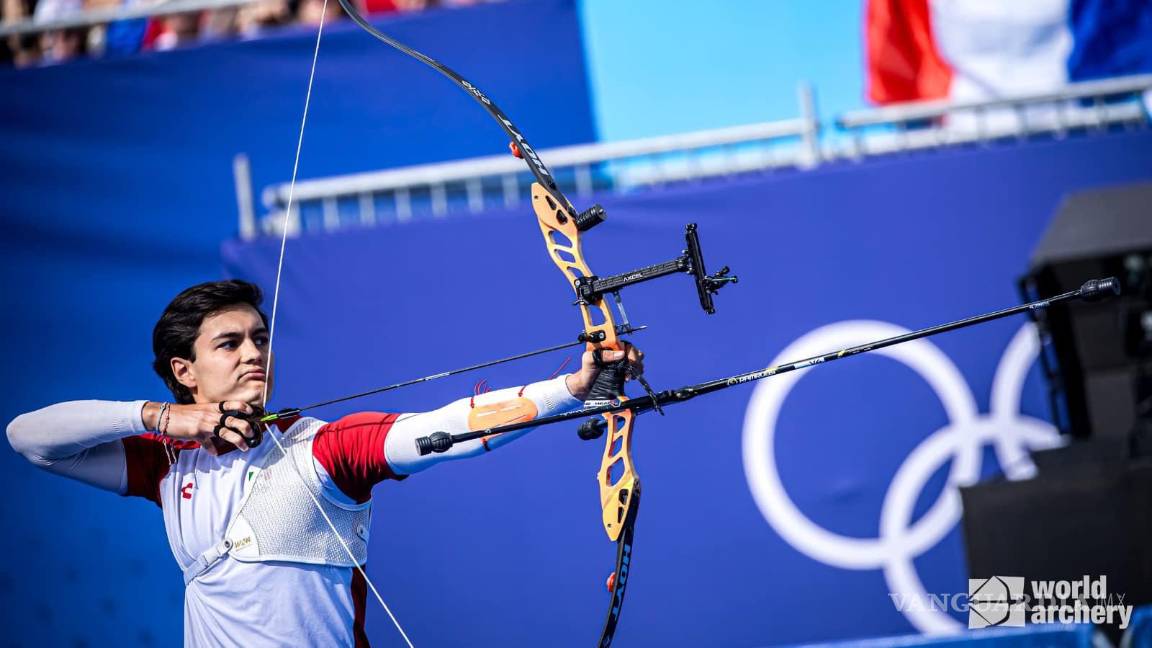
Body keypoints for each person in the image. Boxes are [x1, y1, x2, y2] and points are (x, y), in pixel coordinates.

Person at [6, 279, 643, 646]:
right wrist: (159, 417)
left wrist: (573, 389)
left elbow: (444, 428)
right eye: (229, 343)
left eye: (260, 338)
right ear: (185, 372)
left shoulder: (323, 449)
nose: (254, 353)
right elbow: (28, 438)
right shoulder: (167, 466)